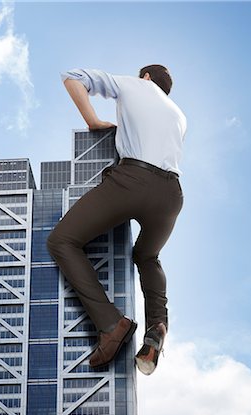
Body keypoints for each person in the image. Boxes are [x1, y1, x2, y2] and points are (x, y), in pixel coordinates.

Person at [46, 64, 187, 375]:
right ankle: (157, 324)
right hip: (171, 194)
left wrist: (94, 120)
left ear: (146, 77)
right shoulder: (179, 115)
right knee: (147, 256)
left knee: (62, 241)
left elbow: (71, 76)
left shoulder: (135, 85)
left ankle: (111, 324)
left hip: (132, 180)